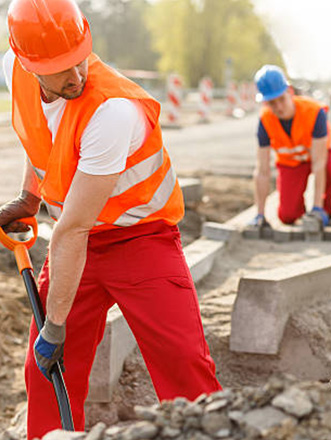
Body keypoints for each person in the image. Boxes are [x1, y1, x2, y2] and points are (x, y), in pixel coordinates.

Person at [0, 0, 222, 437]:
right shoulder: (14, 71)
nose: (77, 75)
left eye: (79, 58)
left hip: (142, 242)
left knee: (184, 366)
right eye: (62, 68)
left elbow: (73, 228)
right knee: (44, 374)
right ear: (28, 64)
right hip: (75, 246)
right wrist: (30, 195)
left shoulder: (112, 110)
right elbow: (38, 133)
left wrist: (56, 324)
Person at [250, 64, 331, 228]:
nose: (278, 107)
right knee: (287, 216)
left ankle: (326, 210)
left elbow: (319, 163)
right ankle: (300, 212)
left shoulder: (314, 112)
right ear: (265, 102)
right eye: (272, 103)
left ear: (290, 92)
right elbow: (262, 170)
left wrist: (317, 207)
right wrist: (260, 214)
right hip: (292, 163)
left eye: (281, 99)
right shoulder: (265, 121)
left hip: (321, 158)